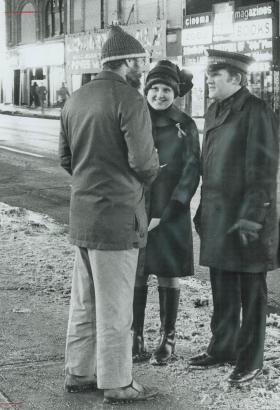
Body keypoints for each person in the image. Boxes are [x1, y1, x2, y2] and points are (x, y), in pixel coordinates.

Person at [59, 25, 160, 404]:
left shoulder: (75, 99)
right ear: (127, 62)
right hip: (118, 217)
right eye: (141, 62)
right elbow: (144, 162)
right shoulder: (130, 99)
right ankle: (117, 381)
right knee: (116, 305)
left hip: (83, 217)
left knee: (84, 302)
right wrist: (149, 175)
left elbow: (66, 159)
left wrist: (92, 179)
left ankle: (79, 372)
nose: (143, 68)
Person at [189, 49, 280, 384]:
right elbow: (209, 166)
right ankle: (223, 347)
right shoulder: (214, 110)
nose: (209, 80)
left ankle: (250, 360)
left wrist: (252, 218)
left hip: (248, 220)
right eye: (210, 74)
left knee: (252, 293)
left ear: (236, 78)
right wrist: (202, 210)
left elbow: (264, 171)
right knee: (222, 286)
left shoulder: (256, 110)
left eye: (215, 75)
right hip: (218, 217)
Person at [132, 60, 201, 365]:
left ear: (175, 93)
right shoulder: (135, 119)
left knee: (168, 273)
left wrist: (172, 207)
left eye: (166, 90)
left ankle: (167, 338)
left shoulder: (185, 124)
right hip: (137, 208)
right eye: (155, 89)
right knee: (137, 273)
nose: (160, 95)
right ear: (146, 90)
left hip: (172, 211)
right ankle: (135, 335)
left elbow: (191, 171)